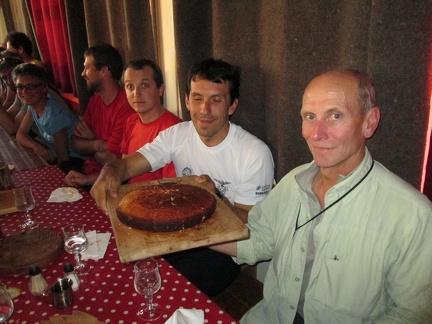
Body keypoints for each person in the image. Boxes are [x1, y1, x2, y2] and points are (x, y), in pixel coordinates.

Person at [210, 69, 432, 323]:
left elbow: (412, 314)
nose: (316, 134)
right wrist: (187, 233)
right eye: (310, 116)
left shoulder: (413, 215)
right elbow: (257, 240)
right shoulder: (292, 183)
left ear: (369, 122)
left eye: (335, 116)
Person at [91, 58, 275, 297]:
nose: (204, 110)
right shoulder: (177, 134)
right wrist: (111, 171)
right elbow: (128, 166)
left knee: (163, 290)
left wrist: (216, 198)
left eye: (216, 100)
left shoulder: (254, 153)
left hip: (221, 249)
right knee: (128, 272)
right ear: (187, 100)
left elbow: (251, 223)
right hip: (178, 232)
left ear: (232, 105)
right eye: (197, 98)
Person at [66, 44, 134, 187]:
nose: (83, 73)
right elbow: (74, 142)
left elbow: (112, 160)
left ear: (103, 71)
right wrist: (97, 144)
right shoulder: (95, 100)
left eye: (87, 68)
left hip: (108, 180)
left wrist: (90, 140)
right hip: (88, 171)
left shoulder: (125, 107)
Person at [13, 63, 85, 173]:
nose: (24, 91)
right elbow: (20, 135)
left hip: (76, 161)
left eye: (31, 86)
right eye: (20, 87)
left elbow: (64, 158)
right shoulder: (33, 106)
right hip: (57, 157)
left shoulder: (55, 114)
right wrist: (36, 146)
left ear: (44, 88)